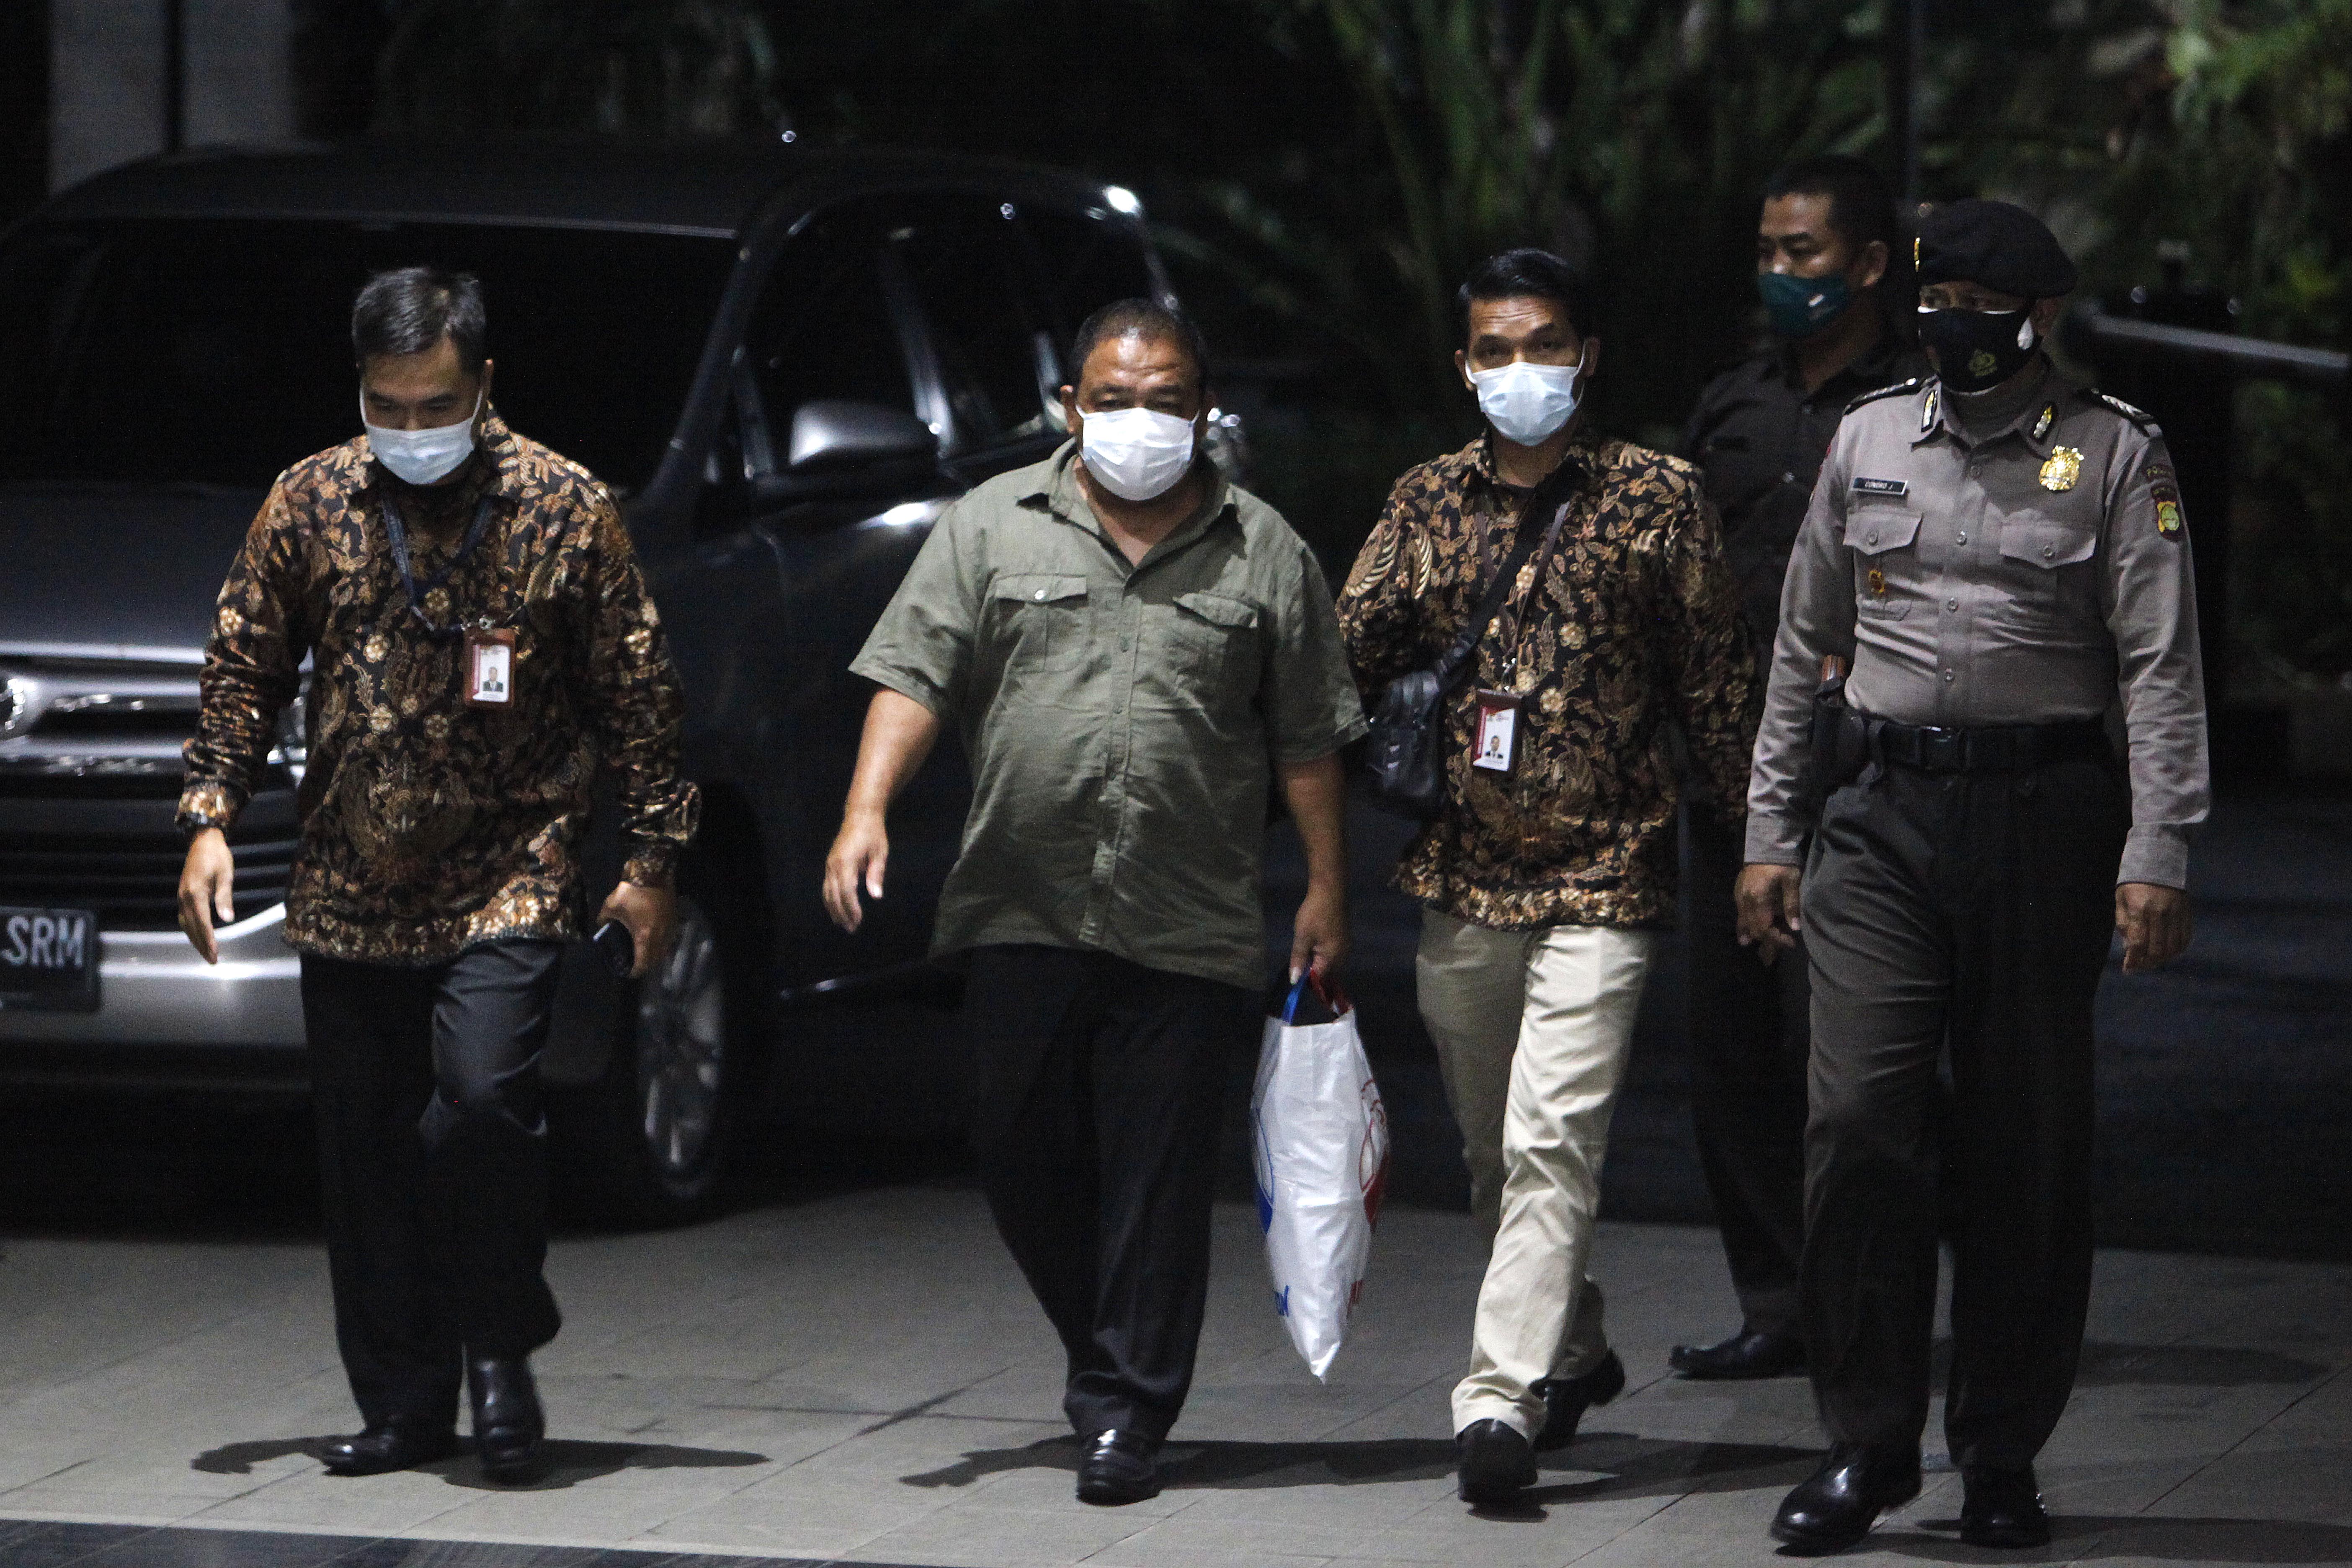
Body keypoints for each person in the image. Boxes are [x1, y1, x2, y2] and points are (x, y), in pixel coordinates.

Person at [823, 299, 1366, 1507]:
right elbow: (912, 674)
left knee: (1157, 1179)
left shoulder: (1264, 551)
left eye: (1166, 400)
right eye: (1113, 399)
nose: (1139, 421)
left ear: (1204, 408)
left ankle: (1127, 1407)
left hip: (1189, 914)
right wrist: (866, 809)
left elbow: (1309, 738)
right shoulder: (990, 524)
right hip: (1021, 900)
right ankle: (1105, 1344)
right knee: (1017, 1152)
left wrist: (1327, 887)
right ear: (1070, 406)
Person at [176, 267, 698, 1484]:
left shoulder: (565, 508)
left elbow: (639, 696)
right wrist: (210, 815)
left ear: (484, 384)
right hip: (351, 875)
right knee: (366, 1155)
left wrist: (652, 861)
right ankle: (406, 1404)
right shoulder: (310, 501)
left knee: (481, 1104)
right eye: (389, 407)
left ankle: (501, 1346)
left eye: (437, 406)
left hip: (514, 864)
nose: (412, 431)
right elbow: (244, 664)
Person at [1740, 199, 2206, 1553]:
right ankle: (1866, 1446)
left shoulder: (2117, 452)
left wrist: (2159, 849)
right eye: (1933, 299)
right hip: (1879, 814)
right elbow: (1802, 644)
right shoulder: (1870, 437)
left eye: (1976, 305)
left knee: (2025, 1145)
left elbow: (2160, 668)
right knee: (1855, 1127)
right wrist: (1771, 830)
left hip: (2042, 816)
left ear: (2040, 316)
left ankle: (2001, 1453)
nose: (1949, 322)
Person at [1337, 249, 1757, 1507]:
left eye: (1546, 346)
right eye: (1497, 350)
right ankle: (1573, 1350)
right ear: (1465, 365)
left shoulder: (1658, 498)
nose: (1523, 370)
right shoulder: (1425, 502)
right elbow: (1342, 657)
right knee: (1492, 1153)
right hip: (1465, 875)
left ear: (1587, 355)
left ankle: (1497, 1403)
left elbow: (1719, 685)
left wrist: (1765, 843)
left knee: (1551, 1139)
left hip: (1608, 873)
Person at [1673, 155, 1927, 1382]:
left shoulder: (1920, 405)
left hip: (1864, 776)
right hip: (1724, 776)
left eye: (1804, 253)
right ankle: (1776, 1301)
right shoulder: (1735, 401)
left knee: (1841, 1061)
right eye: (1768, 252)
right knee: (1726, 1054)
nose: (1780, 273)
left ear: (1870, 264)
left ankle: (1859, 1304)